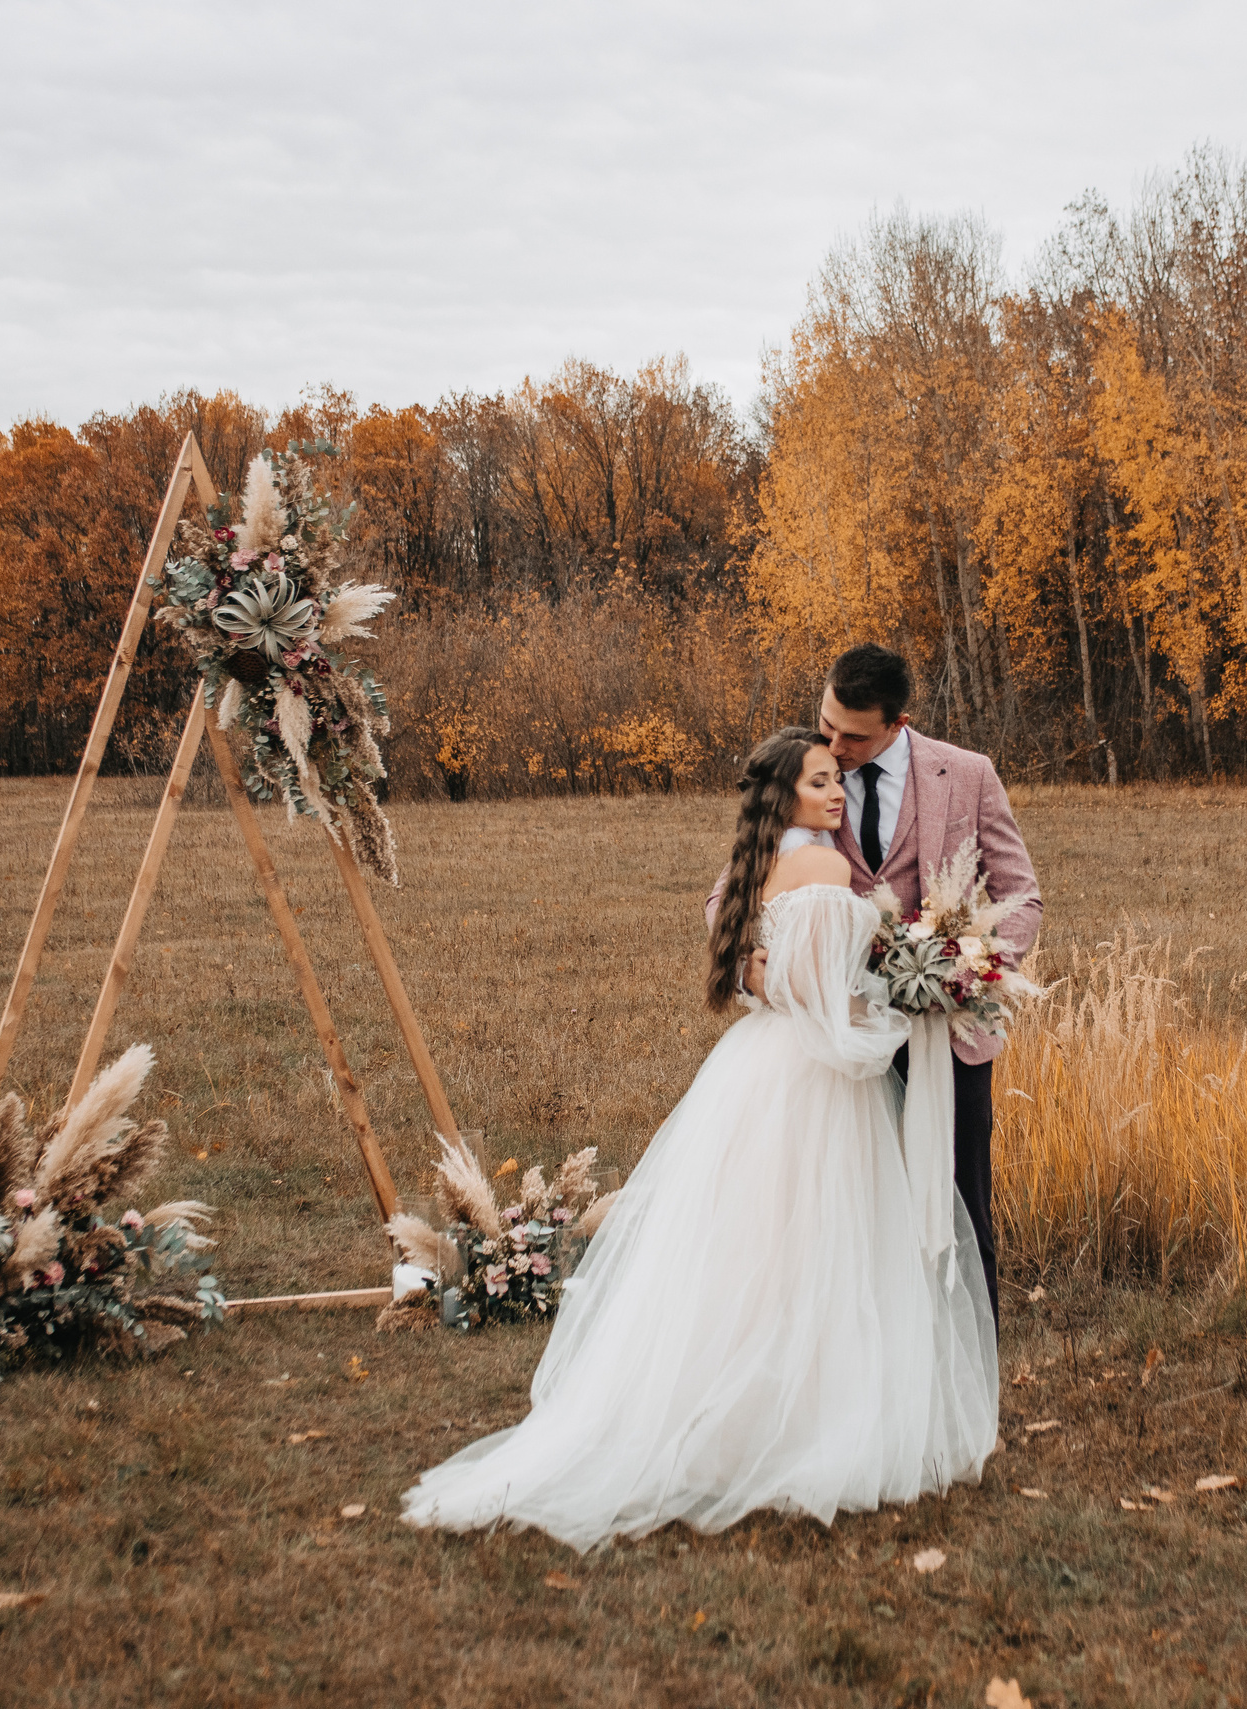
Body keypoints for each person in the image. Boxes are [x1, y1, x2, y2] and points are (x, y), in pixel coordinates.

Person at [399, 727, 998, 1551]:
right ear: (787, 792)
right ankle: (807, 1421)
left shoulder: (761, 864)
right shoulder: (824, 867)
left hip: (756, 1066)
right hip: (817, 1077)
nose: (836, 795)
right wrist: (898, 1011)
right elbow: (820, 1001)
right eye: (821, 782)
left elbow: (765, 977)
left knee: (749, 1249)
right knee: (817, 1247)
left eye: (838, 780)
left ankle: (727, 1412)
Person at [710, 644, 1042, 1315]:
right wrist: (749, 962)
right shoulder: (805, 780)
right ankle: (876, 1347)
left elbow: (1021, 895)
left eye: (852, 735)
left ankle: (972, 1357)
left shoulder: (968, 775)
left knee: (957, 1200)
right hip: (837, 1042)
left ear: (898, 722)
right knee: (851, 1205)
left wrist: (967, 973)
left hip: (946, 1037)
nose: (833, 743)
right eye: (826, 723)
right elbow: (729, 893)